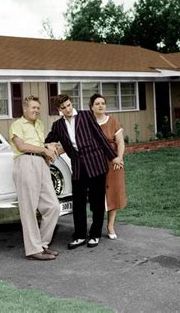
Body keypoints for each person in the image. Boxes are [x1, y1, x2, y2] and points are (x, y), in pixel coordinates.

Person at [45, 94, 121, 249]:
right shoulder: (58, 125)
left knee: (97, 202)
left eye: (68, 105)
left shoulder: (86, 116)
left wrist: (113, 157)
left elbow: (100, 137)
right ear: (59, 109)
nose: (67, 109)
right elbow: (48, 140)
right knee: (78, 203)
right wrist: (48, 147)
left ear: (71, 103)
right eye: (63, 108)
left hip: (96, 164)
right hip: (78, 168)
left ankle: (95, 234)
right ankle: (79, 235)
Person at [9, 95, 60, 260]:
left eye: (38, 108)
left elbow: (39, 145)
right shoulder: (17, 125)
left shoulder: (39, 124)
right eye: (33, 107)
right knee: (29, 209)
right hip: (25, 162)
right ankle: (33, 250)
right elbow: (21, 146)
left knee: (52, 206)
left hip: (41, 164)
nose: (36, 110)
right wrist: (44, 150)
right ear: (25, 109)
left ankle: (43, 244)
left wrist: (48, 151)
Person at [89, 93, 127, 240]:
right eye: (97, 103)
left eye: (103, 103)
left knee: (115, 192)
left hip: (113, 161)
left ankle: (110, 225)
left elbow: (120, 142)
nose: (100, 106)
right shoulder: (89, 123)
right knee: (97, 194)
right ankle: (96, 225)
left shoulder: (113, 122)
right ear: (92, 107)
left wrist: (119, 157)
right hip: (94, 162)